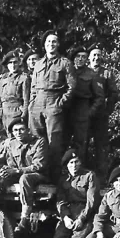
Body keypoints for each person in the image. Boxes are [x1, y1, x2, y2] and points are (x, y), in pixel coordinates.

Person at [0, 119, 48, 233]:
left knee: (25, 178)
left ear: (28, 130)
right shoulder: (11, 143)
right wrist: (4, 170)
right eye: (15, 130)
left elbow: (39, 165)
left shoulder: (39, 142)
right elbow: (9, 163)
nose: (18, 132)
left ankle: (24, 218)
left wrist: (17, 171)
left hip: (37, 175)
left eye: (21, 129)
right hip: (17, 173)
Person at [42, 150, 100, 238]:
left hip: (85, 215)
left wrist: (82, 219)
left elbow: (92, 201)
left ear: (81, 163)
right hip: (68, 214)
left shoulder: (90, 176)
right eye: (71, 163)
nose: (74, 165)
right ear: (66, 166)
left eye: (76, 162)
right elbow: (61, 201)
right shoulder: (64, 179)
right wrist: (65, 217)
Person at [28, 31, 77, 177]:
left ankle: (54, 177)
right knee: (37, 141)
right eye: (48, 42)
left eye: (54, 42)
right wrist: (32, 104)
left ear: (58, 44)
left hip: (53, 103)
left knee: (54, 141)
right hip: (37, 105)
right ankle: (39, 173)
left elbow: (72, 87)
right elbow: (33, 87)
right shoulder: (38, 64)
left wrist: (60, 103)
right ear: (44, 45)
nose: (51, 44)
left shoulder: (65, 63)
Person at [66, 46, 104, 161]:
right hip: (67, 109)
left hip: (82, 110)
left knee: (81, 144)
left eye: (83, 57)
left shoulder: (92, 74)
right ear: (73, 58)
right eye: (78, 56)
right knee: (63, 141)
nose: (80, 59)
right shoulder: (67, 71)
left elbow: (99, 97)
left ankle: (80, 170)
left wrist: (90, 112)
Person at [88, 44, 120, 176]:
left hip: (101, 115)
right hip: (85, 114)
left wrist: (108, 110)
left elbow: (114, 94)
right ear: (89, 58)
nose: (96, 58)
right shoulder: (83, 72)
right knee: (83, 144)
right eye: (94, 55)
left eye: (99, 55)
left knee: (101, 146)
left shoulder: (107, 73)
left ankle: (102, 176)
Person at [0, 51, 28, 125]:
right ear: (7, 65)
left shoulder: (23, 78)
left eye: (15, 62)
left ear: (19, 63)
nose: (13, 65)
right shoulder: (3, 78)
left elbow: (26, 99)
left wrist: (24, 114)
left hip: (16, 112)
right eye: (10, 63)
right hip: (4, 113)